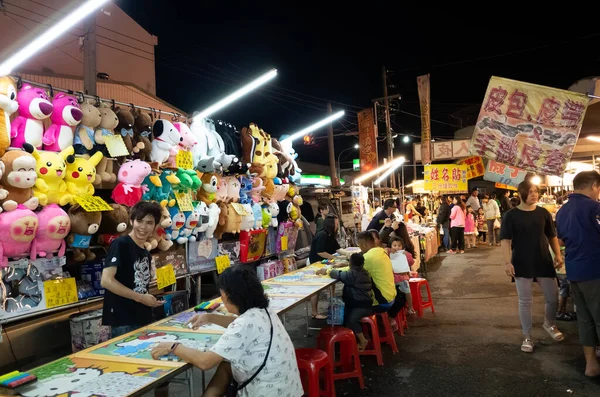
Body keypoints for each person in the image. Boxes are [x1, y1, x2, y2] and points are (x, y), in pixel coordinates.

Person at [151, 266, 303, 397]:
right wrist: (210, 317)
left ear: (230, 296)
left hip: (267, 391)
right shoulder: (263, 310)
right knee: (226, 364)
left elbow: (205, 362)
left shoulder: (244, 323)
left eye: (221, 294)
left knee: (223, 363)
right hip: (290, 389)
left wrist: (173, 347)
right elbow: (242, 326)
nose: (221, 297)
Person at [500, 180, 564, 354]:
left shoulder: (543, 213)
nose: (535, 194)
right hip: (521, 261)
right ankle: (527, 336)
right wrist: (507, 262)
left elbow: (552, 236)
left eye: (536, 191)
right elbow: (505, 240)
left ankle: (549, 324)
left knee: (553, 297)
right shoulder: (511, 216)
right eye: (530, 191)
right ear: (521, 194)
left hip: (543, 260)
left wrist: (557, 255)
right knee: (525, 301)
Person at [556, 170, 600, 377]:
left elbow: (561, 239)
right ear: (593, 186)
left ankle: (590, 364)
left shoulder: (562, 211)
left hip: (574, 270)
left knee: (584, 318)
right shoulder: (595, 208)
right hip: (595, 268)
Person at [101, 201, 164, 337]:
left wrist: (149, 300)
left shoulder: (145, 253)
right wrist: (140, 298)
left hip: (142, 317)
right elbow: (106, 281)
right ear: (131, 221)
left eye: (149, 223)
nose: (143, 227)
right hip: (123, 320)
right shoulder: (120, 244)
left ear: (155, 226)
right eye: (139, 221)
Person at [328, 253, 373, 351]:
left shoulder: (352, 275)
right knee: (346, 316)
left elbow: (336, 274)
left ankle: (362, 340)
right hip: (363, 303)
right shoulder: (363, 272)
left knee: (351, 320)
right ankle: (352, 339)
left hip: (361, 306)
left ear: (351, 263)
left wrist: (328, 270)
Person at [309, 214, 340, 319]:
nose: (337, 226)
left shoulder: (330, 235)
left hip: (324, 263)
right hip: (315, 264)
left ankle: (332, 306)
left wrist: (347, 254)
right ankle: (314, 312)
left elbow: (338, 249)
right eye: (336, 224)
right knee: (316, 289)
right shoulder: (322, 234)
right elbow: (320, 252)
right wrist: (334, 258)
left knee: (332, 283)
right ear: (331, 224)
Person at [357, 231, 396, 313]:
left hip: (382, 301)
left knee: (349, 307)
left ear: (364, 245)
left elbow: (353, 270)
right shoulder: (381, 252)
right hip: (391, 296)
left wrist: (330, 270)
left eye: (360, 246)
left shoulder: (369, 257)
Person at [389, 237, 416, 328]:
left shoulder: (405, 254)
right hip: (392, 279)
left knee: (407, 292)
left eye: (399, 245)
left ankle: (410, 307)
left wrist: (407, 254)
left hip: (403, 278)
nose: (397, 248)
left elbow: (411, 262)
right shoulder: (389, 254)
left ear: (402, 246)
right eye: (394, 245)